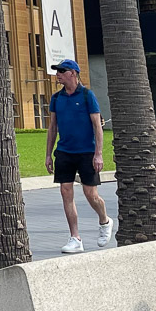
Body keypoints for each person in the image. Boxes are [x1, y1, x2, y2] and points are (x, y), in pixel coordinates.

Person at [44, 58, 113, 253]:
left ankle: (105, 221)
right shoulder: (56, 98)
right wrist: (48, 155)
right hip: (64, 152)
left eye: (62, 71)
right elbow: (52, 127)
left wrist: (98, 154)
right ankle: (75, 238)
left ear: (73, 73)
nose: (58, 74)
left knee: (90, 194)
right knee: (65, 191)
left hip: (86, 153)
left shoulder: (86, 96)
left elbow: (97, 127)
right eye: (57, 71)